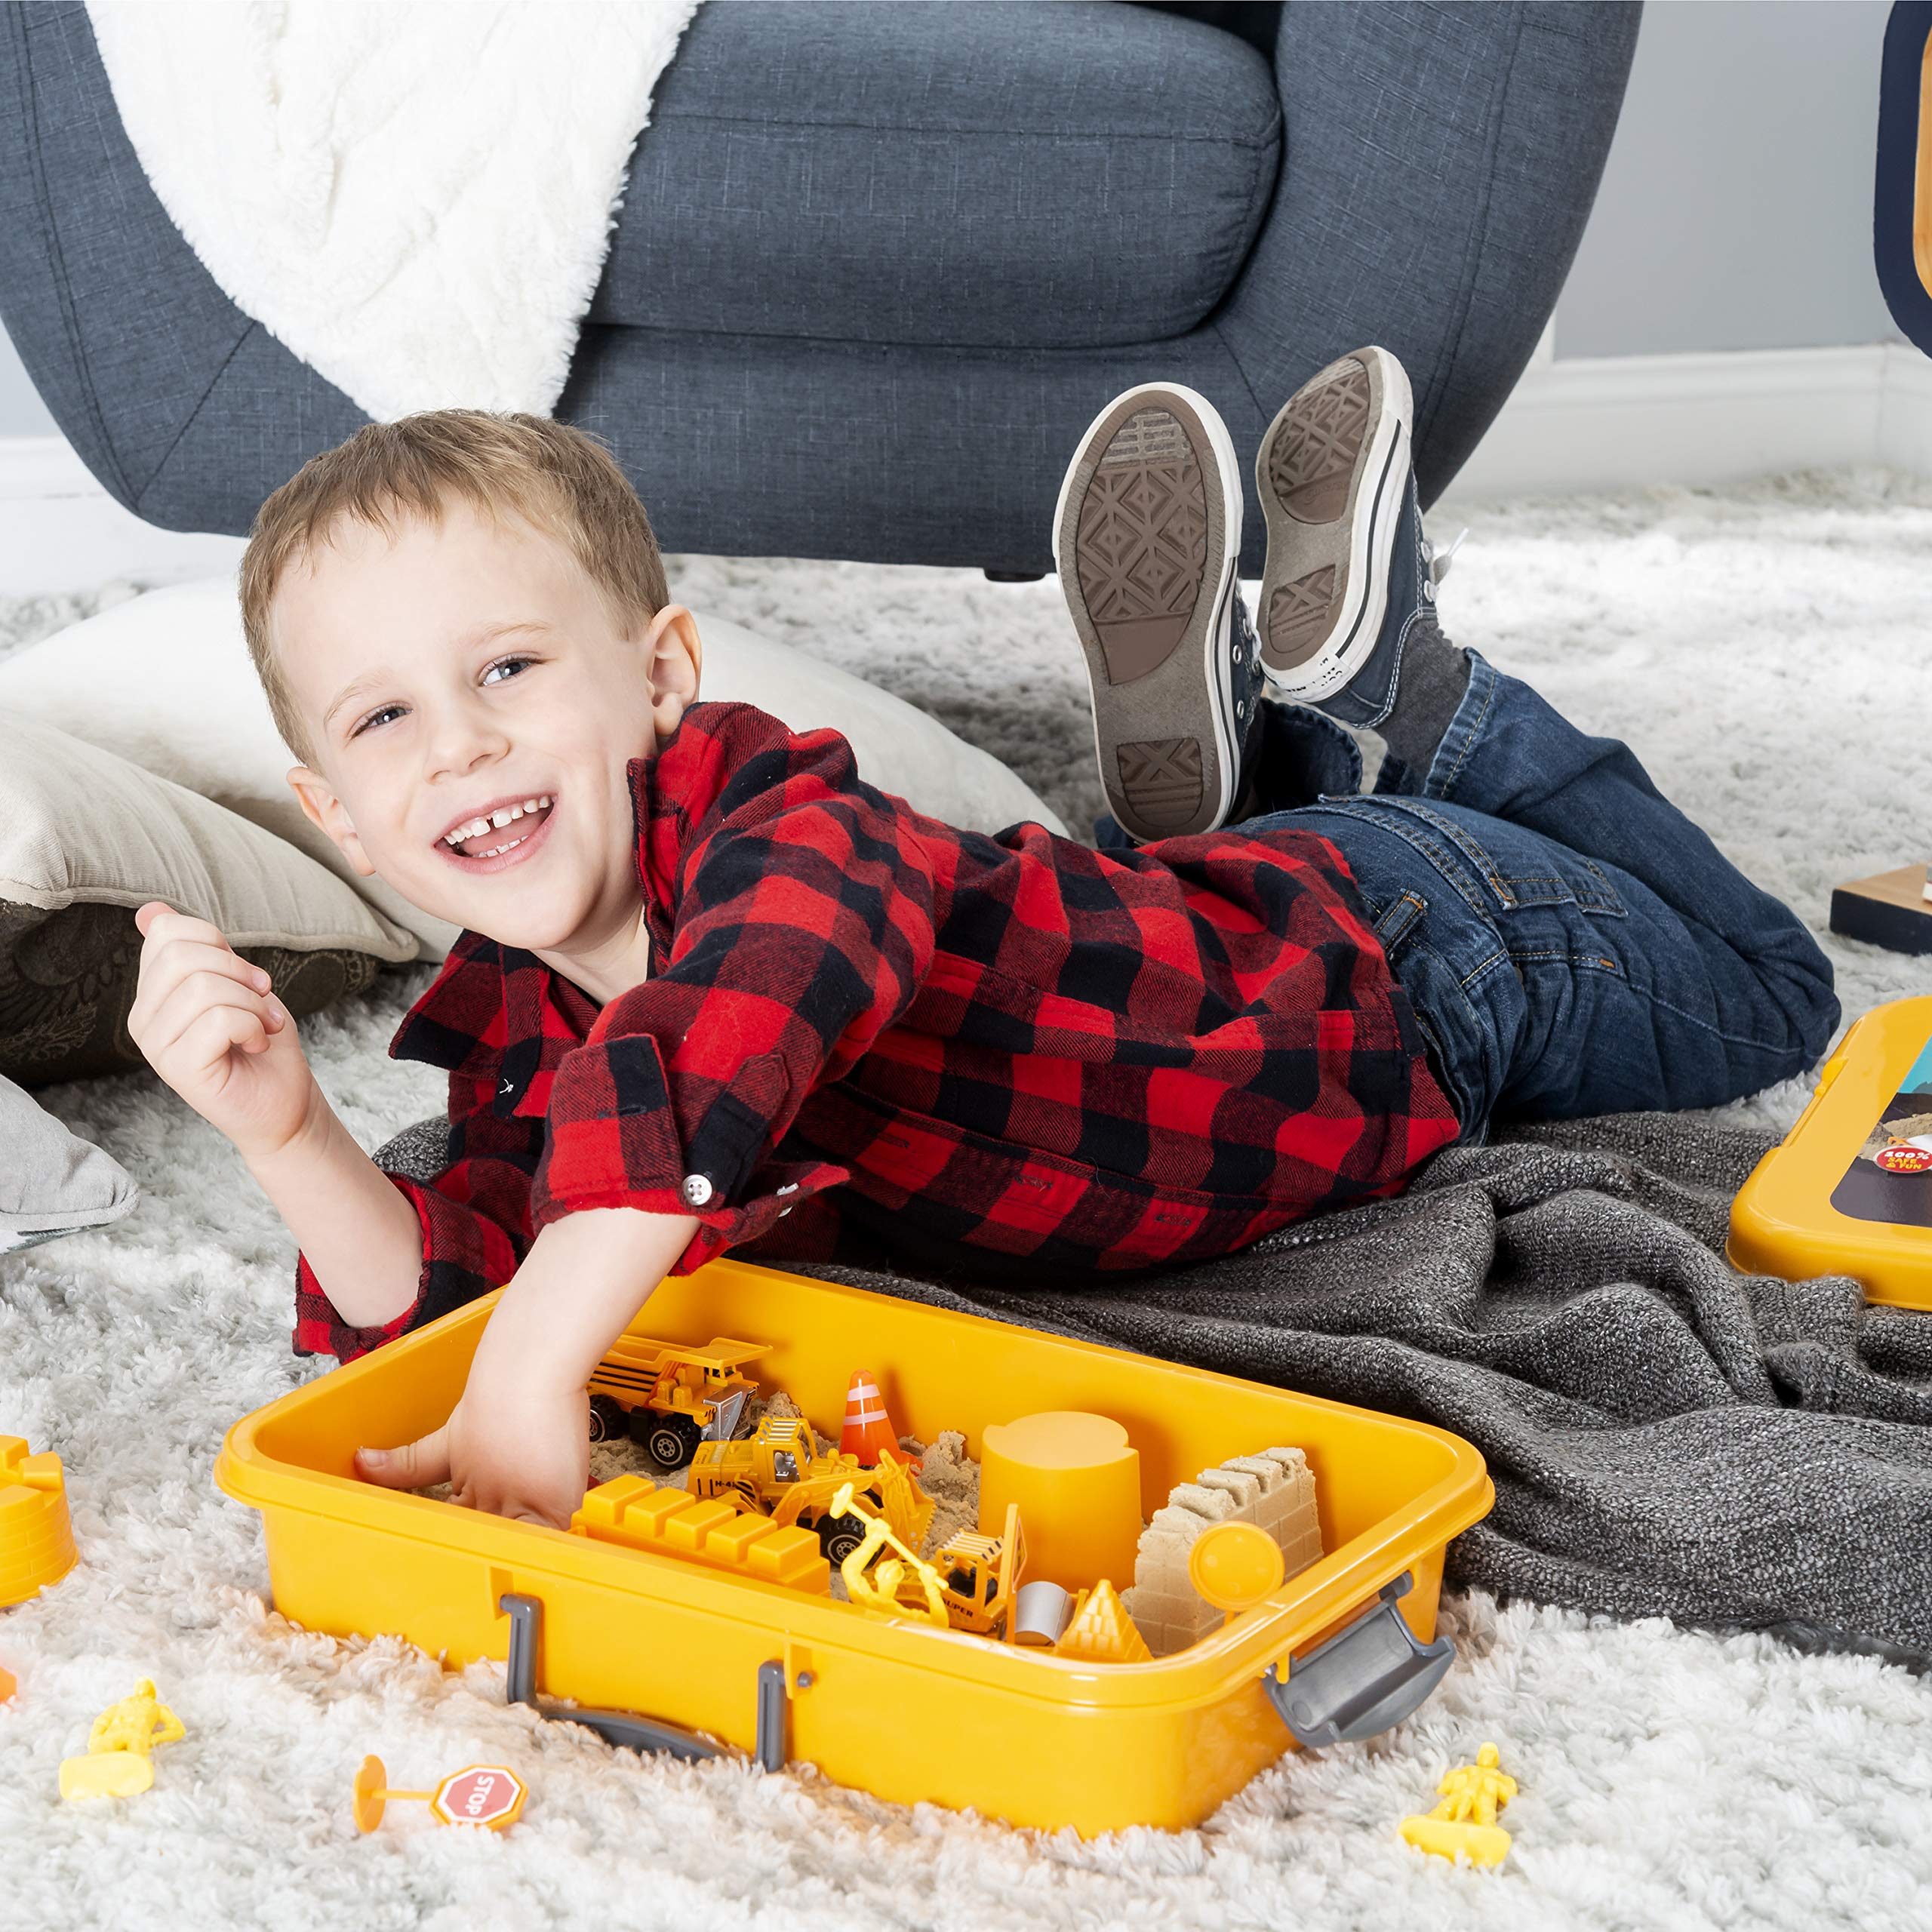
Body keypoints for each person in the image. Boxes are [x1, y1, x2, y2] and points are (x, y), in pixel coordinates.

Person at [128, 352, 1836, 1527]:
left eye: (508, 668)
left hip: (1422, 962)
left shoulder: (776, 823)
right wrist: (285, 1134)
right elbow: (448, 1288)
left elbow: (746, 1003)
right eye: (385, 720)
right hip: (1211, 937)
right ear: (334, 814)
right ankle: (1225, 779)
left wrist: (543, 1359)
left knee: (1774, 993)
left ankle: (1417, 694)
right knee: (1158, 900)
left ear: (659, 678)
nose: (460, 746)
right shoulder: (521, 1036)